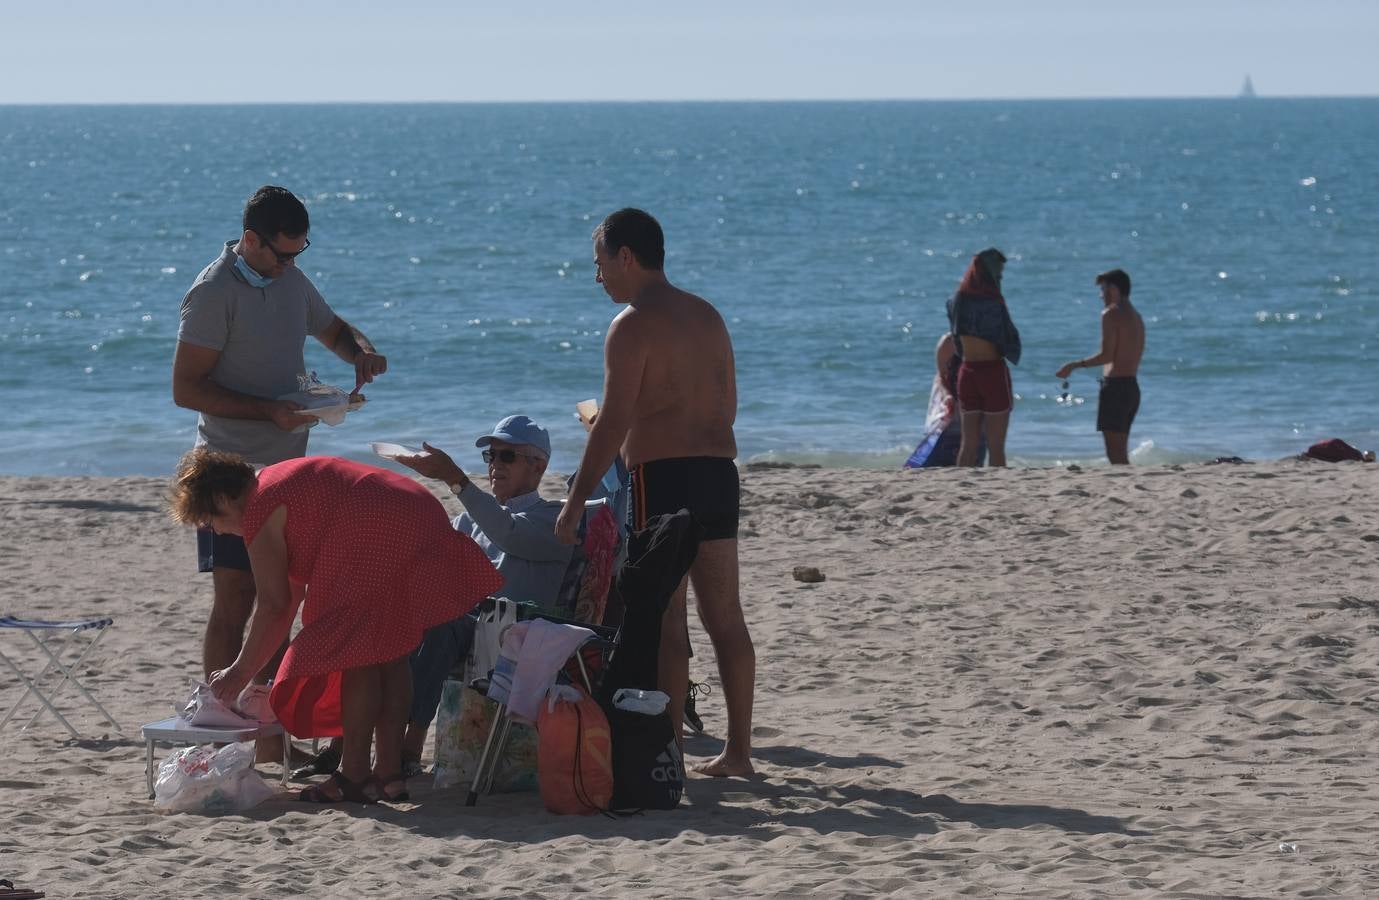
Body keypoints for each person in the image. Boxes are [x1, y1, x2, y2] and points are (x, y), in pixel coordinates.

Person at [172, 185, 387, 768]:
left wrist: (361, 351)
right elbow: (185, 389)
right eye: (281, 255)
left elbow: (334, 328)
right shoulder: (212, 292)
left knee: (280, 599)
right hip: (228, 469)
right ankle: (223, 720)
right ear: (249, 241)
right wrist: (266, 409)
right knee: (236, 598)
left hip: (290, 472)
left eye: (298, 255)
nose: (291, 266)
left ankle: (267, 731)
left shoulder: (291, 279)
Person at [170, 450, 502, 803]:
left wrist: (239, 673)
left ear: (223, 499)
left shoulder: (258, 508)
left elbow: (273, 605)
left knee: (354, 652)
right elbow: (288, 602)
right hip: (417, 508)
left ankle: (354, 776)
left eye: (209, 521)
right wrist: (249, 670)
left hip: (372, 523)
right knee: (391, 651)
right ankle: (389, 772)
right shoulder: (275, 479)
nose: (216, 531)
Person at [555, 208, 755, 777]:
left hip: (662, 479)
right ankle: (739, 752)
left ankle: (669, 749)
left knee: (668, 620)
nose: (598, 278)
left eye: (599, 265)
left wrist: (575, 500)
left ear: (626, 257)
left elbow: (615, 420)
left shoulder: (631, 322)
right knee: (726, 616)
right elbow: (728, 406)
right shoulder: (708, 316)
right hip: (718, 473)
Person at [391, 415, 574, 774]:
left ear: (539, 466)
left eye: (507, 457)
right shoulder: (469, 522)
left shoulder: (555, 519)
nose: (494, 465)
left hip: (515, 633)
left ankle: (410, 745)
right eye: (491, 457)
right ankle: (346, 746)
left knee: (442, 625)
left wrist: (456, 480)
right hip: (466, 624)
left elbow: (508, 533)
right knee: (388, 614)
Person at [1056, 269, 1145, 465]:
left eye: (1103, 289)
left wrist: (1074, 365)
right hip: (1132, 387)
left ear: (1113, 289)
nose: (1100, 295)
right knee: (1121, 453)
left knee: (1115, 454)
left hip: (1115, 388)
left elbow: (1107, 355)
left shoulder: (1111, 314)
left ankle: (1125, 488)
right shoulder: (1136, 317)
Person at [947, 248, 1021, 467]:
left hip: (967, 371)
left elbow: (956, 337)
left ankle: (962, 490)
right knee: (996, 446)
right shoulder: (993, 301)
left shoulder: (956, 300)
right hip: (992, 372)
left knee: (968, 444)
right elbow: (1006, 338)